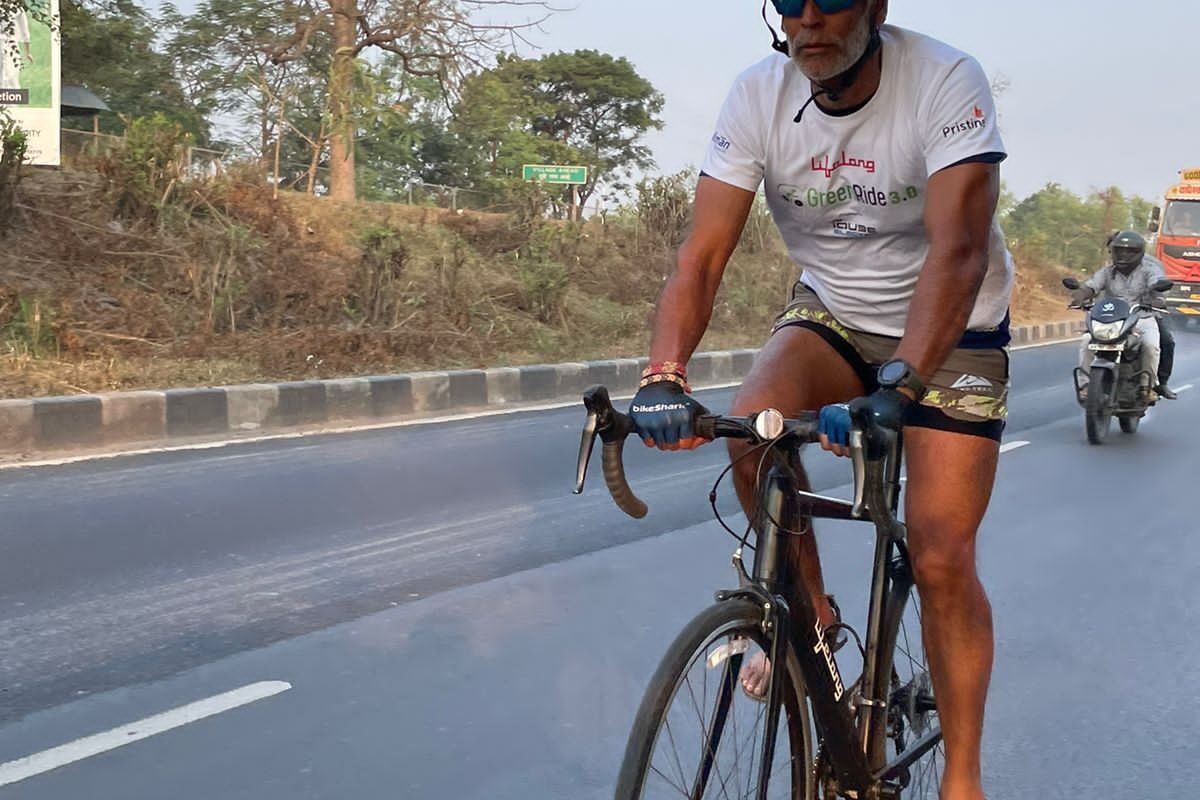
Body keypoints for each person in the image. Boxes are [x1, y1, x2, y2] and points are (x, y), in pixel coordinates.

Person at [627, 2, 1012, 798]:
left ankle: (964, 780)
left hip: (952, 328)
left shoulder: (944, 79)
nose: (810, 21)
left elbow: (961, 250)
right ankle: (815, 626)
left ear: (874, 6)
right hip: (834, 311)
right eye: (790, 1)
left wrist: (899, 385)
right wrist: (663, 373)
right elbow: (700, 257)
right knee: (754, 424)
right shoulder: (758, 96)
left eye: (831, 0)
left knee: (940, 554)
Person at [1075, 230, 1174, 400]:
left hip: (1142, 316)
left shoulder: (1150, 269)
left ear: (1139, 252)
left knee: (1152, 345)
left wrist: (1157, 298)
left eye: (1129, 251)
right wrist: (1081, 295)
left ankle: (1147, 386)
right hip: (1111, 318)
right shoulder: (1107, 271)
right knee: (1086, 341)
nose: (1123, 255)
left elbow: (1158, 284)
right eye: (1119, 250)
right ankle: (1085, 385)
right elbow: (1092, 285)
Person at [0, 6, 32, 92]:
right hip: (7, 44)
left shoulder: (17, 9)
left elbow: (25, 32)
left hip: (10, 45)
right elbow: (25, 32)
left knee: (11, 74)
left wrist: (28, 52)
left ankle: (9, 101)